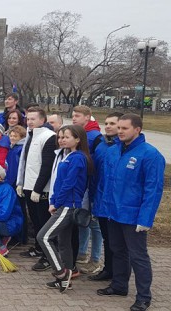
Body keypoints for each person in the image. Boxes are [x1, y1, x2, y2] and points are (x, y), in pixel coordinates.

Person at [97, 114, 165, 311]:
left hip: (133, 215)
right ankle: (119, 286)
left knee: (138, 256)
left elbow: (153, 190)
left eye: (124, 128)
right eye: (119, 128)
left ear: (137, 129)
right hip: (112, 212)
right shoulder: (113, 151)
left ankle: (144, 297)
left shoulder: (150, 155)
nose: (120, 131)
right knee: (117, 250)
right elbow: (106, 183)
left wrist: (145, 219)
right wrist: (103, 208)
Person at [38, 125, 91, 292]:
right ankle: (65, 280)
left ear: (78, 139)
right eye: (60, 137)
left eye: (66, 137)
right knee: (63, 242)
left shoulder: (77, 158)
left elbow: (68, 184)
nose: (61, 140)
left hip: (68, 206)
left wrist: (56, 203)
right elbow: (58, 183)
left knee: (44, 237)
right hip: (62, 203)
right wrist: (54, 199)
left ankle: (61, 273)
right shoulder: (67, 155)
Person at [16, 107, 57, 271]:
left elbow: (46, 167)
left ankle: (48, 257)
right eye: (28, 118)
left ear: (43, 120)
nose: (30, 121)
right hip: (28, 185)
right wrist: (21, 182)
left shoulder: (49, 137)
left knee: (43, 223)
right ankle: (39, 249)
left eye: (33, 119)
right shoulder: (30, 135)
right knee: (36, 221)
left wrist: (38, 189)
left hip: (41, 190)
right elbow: (26, 163)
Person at [87, 112, 123, 282]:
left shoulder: (121, 147)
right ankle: (108, 269)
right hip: (101, 198)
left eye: (113, 124)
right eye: (106, 123)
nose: (108, 126)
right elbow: (95, 172)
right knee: (107, 238)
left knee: (117, 242)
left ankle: (118, 274)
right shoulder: (101, 144)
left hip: (116, 201)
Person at [71, 105, 103, 272]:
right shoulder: (81, 133)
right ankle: (82, 253)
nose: (74, 118)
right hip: (82, 184)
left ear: (87, 117)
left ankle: (96, 258)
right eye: (73, 115)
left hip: (91, 184)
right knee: (82, 220)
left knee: (94, 224)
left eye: (77, 115)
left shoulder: (94, 136)